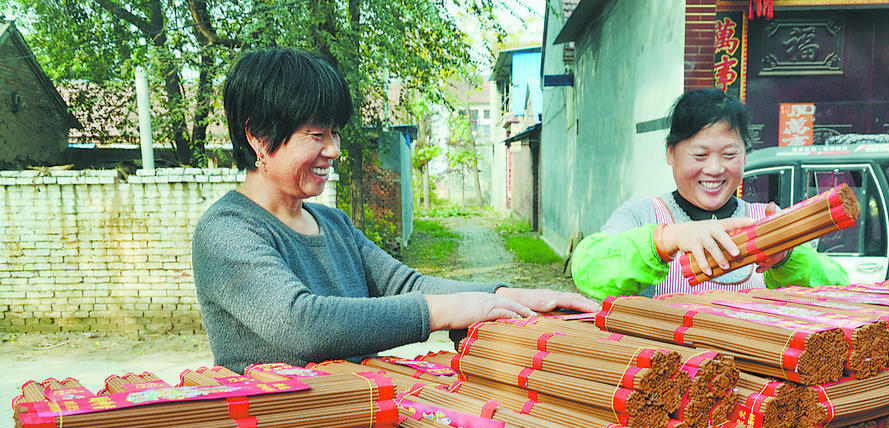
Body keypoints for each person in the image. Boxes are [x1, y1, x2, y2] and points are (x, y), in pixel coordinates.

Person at [193, 47, 597, 373]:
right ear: (259, 137)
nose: (333, 150)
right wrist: (442, 312)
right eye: (317, 135)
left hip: (353, 421)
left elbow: (404, 285)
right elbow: (301, 324)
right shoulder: (228, 231)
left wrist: (509, 296)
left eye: (335, 133)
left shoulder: (332, 224)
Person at [571, 88, 848, 300]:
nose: (714, 169)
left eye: (729, 155)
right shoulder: (644, 214)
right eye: (700, 155)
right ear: (671, 152)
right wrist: (666, 239)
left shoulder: (765, 220)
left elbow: (837, 291)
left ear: (744, 156)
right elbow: (588, 270)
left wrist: (785, 259)